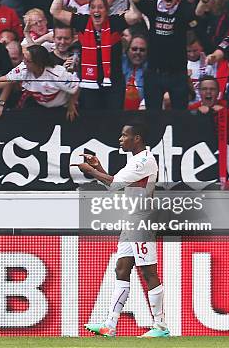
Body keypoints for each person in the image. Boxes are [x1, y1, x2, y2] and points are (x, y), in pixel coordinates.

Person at [72, 124, 169, 338]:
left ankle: (161, 327)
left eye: (124, 135)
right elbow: (114, 184)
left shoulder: (144, 160)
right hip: (131, 220)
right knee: (122, 268)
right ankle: (110, 325)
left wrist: (91, 171)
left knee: (148, 272)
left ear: (137, 138)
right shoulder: (134, 160)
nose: (120, 139)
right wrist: (99, 169)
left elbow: (114, 184)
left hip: (142, 220)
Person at [51, 0, 141, 109]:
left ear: (107, 10)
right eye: (93, 7)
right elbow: (55, 11)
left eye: (100, 7)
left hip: (113, 84)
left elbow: (135, 15)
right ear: (89, 10)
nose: (96, 10)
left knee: (112, 122)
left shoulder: (115, 22)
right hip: (88, 84)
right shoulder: (82, 22)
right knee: (91, 122)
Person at [0, 45, 79, 119]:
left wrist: (71, 105)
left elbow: (76, 86)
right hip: (39, 104)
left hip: (61, 107)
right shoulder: (24, 68)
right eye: (23, 59)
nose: (23, 62)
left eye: (27, 60)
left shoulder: (57, 74)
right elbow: (4, 80)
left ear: (38, 63)